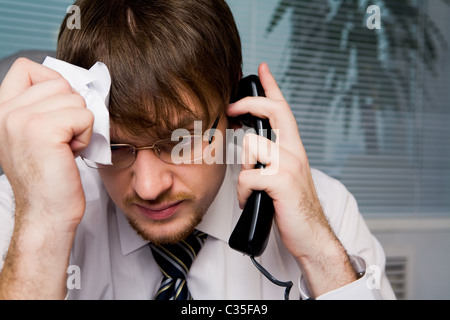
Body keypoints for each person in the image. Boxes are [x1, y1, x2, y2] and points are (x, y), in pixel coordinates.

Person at [0, 0, 394, 300]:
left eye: (179, 142)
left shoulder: (325, 206)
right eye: (116, 147)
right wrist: (42, 227)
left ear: (237, 112)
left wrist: (318, 252)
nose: (150, 187)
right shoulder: (23, 208)